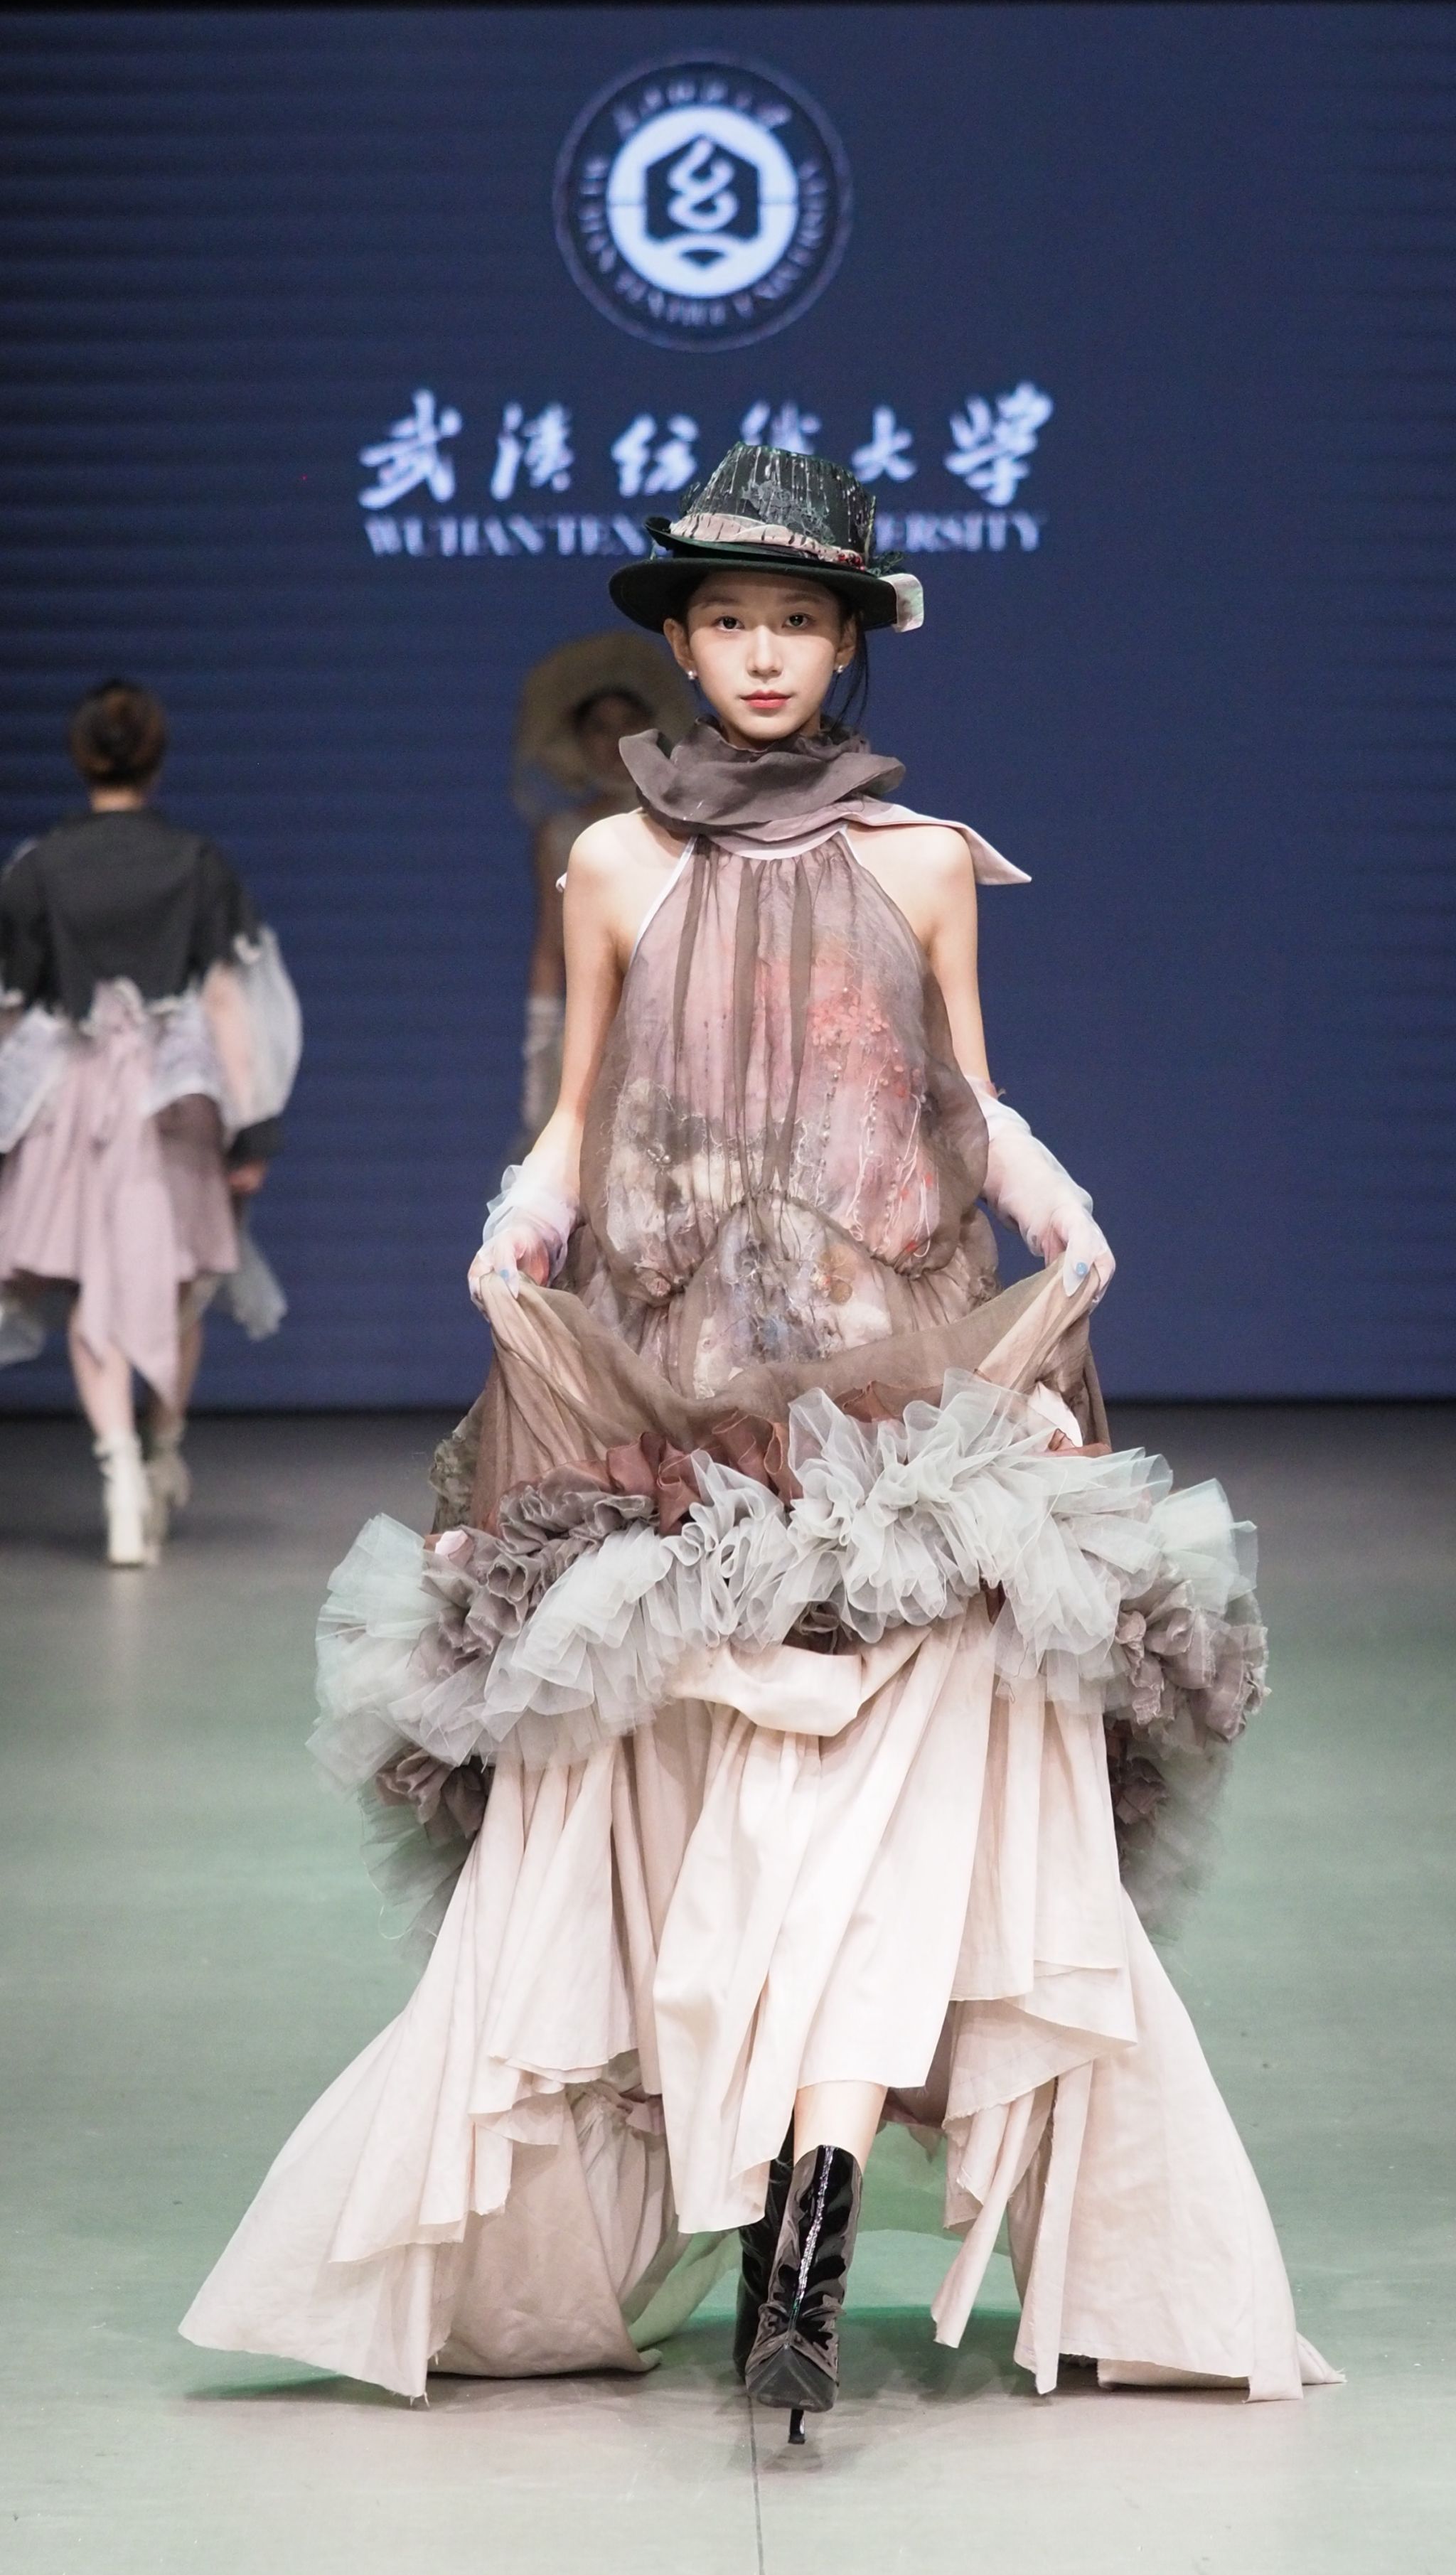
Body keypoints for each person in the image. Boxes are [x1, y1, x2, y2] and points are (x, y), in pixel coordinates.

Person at [183, 446, 1334, 2429]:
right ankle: (768, 2195)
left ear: (848, 639)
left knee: (884, 1811)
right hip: (667, 1404)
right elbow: (579, 1113)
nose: (763, 651)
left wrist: (1051, 1199)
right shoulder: (610, 863)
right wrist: (518, 1214)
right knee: (700, 1827)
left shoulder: (924, 860)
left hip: (893, 1401)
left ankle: (808, 2197)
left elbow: (967, 1098)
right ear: (685, 640)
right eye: (728, 618)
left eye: (797, 618)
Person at [0, 679, 301, 1564]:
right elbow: (229, 1001)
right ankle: (161, 1453)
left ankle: (120, 1473)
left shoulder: (39, 867)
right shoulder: (195, 862)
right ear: (157, 758)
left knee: (95, 1287)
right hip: (174, 1098)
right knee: (177, 1285)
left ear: (80, 757)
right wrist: (254, 1129)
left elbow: (10, 1007)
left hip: (74, 1102)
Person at [508, 633, 695, 1152]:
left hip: (683, 1034)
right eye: (599, 728)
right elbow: (551, 949)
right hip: (594, 1036)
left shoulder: (692, 826)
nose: (615, 741)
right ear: (579, 739)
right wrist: (540, 1053)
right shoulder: (562, 834)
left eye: (629, 722)